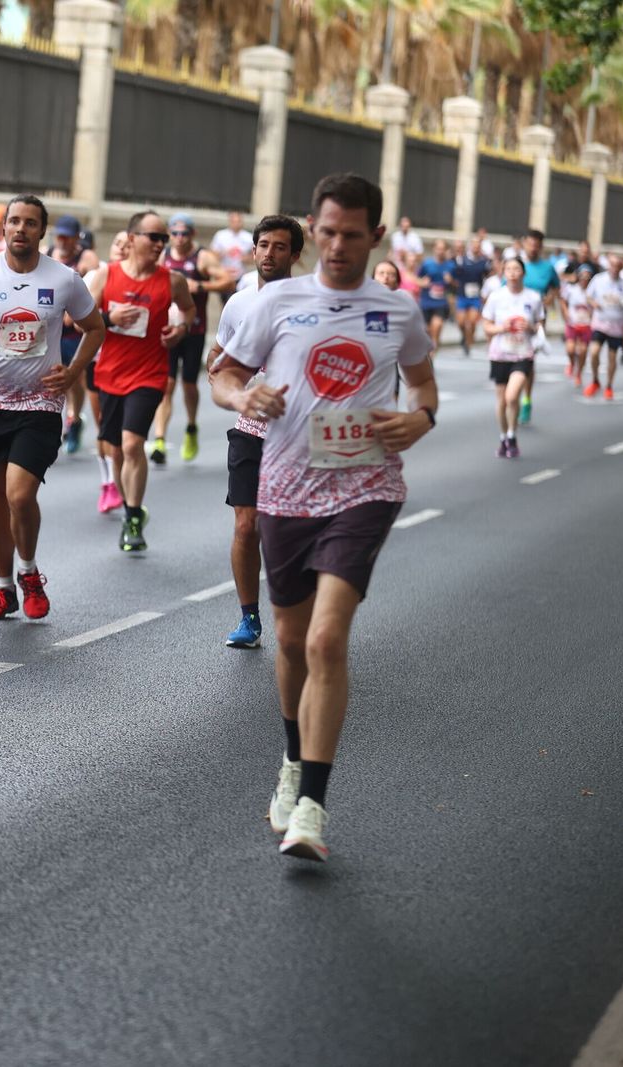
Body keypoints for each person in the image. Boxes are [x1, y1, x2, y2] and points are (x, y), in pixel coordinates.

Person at [210, 173, 437, 862]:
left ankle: (311, 803)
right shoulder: (276, 300)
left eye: (352, 234)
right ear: (315, 228)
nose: (338, 246)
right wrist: (241, 399)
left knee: (326, 641)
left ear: (377, 235)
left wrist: (417, 421)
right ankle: (290, 757)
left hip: (364, 487)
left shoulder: (397, 311)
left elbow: (424, 387)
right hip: (284, 488)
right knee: (288, 639)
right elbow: (222, 373)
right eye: (328, 232)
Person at [0, 195, 105, 620]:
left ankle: (29, 571)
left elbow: (95, 327)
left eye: (30, 223)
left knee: (20, 493)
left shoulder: (64, 279)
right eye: (14, 221)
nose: (20, 229)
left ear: (41, 231)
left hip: (39, 402)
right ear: (4, 227)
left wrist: (72, 372)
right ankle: (3, 588)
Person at [206, 213, 304, 650]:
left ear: (295, 255)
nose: (269, 254)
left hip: (299, 437)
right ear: (253, 249)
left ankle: (298, 606)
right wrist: (223, 378)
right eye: (263, 245)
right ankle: (249, 617)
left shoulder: (309, 304)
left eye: (279, 247)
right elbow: (220, 354)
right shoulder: (239, 302)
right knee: (247, 527)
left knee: (287, 531)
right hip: (250, 429)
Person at [90, 212, 197, 552]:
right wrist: (109, 318)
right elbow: (77, 319)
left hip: (150, 374)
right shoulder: (106, 276)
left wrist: (179, 329)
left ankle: (133, 517)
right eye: (154, 237)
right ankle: (131, 507)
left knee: (134, 444)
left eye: (163, 238)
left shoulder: (172, 281)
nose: (160, 244)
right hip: (109, 374)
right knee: (116, 451)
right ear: (132, 237)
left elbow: (189, 311)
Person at [152, 213, 234, 465]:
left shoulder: (202, 257)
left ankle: (190, 426)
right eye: (174, 233)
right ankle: (159, 441)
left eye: (183, 233)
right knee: (166, 385)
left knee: (188, 384)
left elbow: (227, 280)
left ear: (192, 235)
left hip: (193, 330)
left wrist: (200, 287)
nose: (178, 238)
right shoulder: (163, 255)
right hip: (168, 330)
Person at [45, 215, 101, 453]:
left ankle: (75, 418)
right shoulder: (46, 253)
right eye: (60, 236)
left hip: (75, 328)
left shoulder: (86, 257)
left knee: (75, 377)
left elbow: (95, 282)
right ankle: (54, 424)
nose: (63, 241)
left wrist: (75, 309)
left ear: (76, 238)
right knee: (52, 377)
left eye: (67, 237)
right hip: (51, 326)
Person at [482, 257, 543, 459]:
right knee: (501, 401)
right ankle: (504, 437)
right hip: (500, 353)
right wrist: (503, 327)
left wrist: (531, 327)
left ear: (523, 273)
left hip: (523, 353)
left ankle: (512, 434)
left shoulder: (533, 298)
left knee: (511, 396)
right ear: (503, 273)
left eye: (517, 269)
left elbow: (540, 327)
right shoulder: (496, 297)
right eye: (508, 269)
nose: (513, 272)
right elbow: (487, 327)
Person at [88, 231, 130, 513]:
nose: (122, 249)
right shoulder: (97, 276)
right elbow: (75, 317)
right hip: (97, 361)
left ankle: (123, 485)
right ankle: (108, 483)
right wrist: (108, 318)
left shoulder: (146, 281)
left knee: (123, 436)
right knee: (103, 426)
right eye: (118, 244)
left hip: (130, 365)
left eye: (129, 246)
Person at [516, 229, 559, 423]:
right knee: (513, 359)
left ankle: (526, 399)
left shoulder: (547, 268)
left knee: (528, 361)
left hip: (536, 320)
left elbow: (556, 287)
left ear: (541, 247)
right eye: (530, 243)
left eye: (536, 245)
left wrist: (547, 301)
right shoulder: (516, 264)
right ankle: (513, 395)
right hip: (515, 318)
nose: (533, 248)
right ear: (524, 243)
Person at [584, 257, 623, 400]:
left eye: (618, 266)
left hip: (617, 326)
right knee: (594, 352)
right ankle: (595, 380)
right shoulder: (598, 279)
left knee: (612, 357)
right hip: (600, 323)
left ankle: (609, 386)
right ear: (609, 266)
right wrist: (594, 303)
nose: (615, 268)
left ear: (621, 268)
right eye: (613, 265)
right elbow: (588, 296)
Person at [450, 237, 491, 357]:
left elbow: (487, 277)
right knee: (461, 322)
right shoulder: (462, 260)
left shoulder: (484, 262)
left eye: (478, 245)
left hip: (475, 296)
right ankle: (464, 337)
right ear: (470, 246)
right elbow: (454, 275)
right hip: (462, 295)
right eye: (474, 245)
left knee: (472, 321)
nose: (476, 247)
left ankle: (468, 342)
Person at [560, 263, 595, 380]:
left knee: (583, 351)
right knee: (570, 349)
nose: (584, 279)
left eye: (587, 277)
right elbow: (563, 301)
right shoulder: (571, 289)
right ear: (578, 276)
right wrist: (565, 313)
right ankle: (572, 363)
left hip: (586, 324)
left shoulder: (592, 291)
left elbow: (597, 306)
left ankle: (579, 372)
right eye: (582, 276)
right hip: (573, 323)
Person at [417, 239, 453, 349]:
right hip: (426, 301)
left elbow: (457, 284)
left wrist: (450, 281)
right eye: (438, 249)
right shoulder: (427, 263)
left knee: (437, 326)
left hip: (441, 303)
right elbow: (417, 278)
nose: (440, 251)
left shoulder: (451, 266)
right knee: (427, 331)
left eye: (442, 249)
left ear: (446, 250)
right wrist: (423, 282)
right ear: (434, 249)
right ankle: (429, 351)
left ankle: (433, 353)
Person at [211, 211, 253, 284]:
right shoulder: (220, 235)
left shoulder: (249, 237)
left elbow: (254, 257)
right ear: (229, 221)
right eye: (234, 221)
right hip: (224, 274)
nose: (236, 224)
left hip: (241, 275)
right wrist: (225, 252)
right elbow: (213, 256)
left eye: (238, 221)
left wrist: (246, 259)